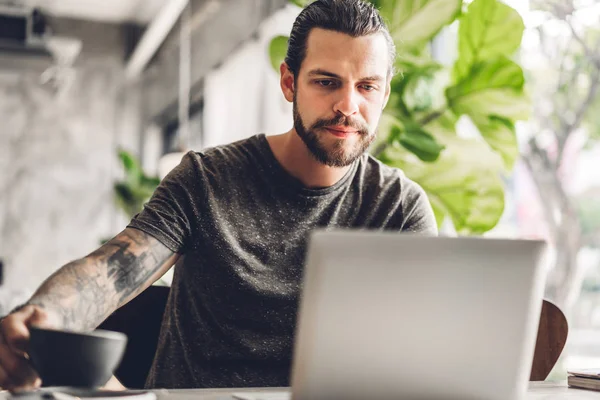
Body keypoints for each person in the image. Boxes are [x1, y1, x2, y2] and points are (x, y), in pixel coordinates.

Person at [0, 0, 437, 391]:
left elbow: (425, 346)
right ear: (289, 83)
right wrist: (46, 314)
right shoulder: (206, 179)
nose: (348, 105)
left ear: (384, 92)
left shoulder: (399, 208)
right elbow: (112, 269)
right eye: (326, 82)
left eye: (367, 86)